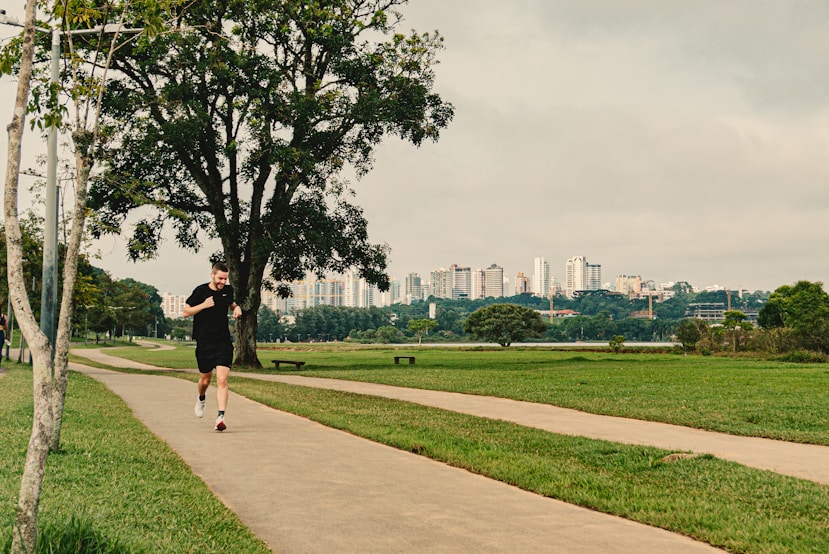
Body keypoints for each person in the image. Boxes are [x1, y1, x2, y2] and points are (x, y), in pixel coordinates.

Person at [183, 262, 242, 431]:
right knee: (205, 380)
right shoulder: (200, 291)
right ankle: (201, 397)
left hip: (223, 341)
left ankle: (220, 417)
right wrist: (203, 305)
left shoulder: (227, 290)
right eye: (220, 278)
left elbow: (230, 303)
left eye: (225, 278)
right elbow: (186, 312)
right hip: (204, 342)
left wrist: (236, 307)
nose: (223, 281)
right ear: (212, 275)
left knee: (222, 380)